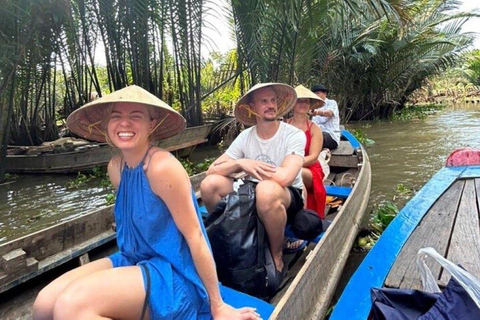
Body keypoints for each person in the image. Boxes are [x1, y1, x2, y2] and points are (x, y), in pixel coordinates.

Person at [33, 85, 260, 320]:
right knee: (45, 304)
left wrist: (217, 305)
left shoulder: (162, 167)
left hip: (172, 275)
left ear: (152, 124)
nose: (124, 123)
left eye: (135, 116)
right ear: (106, 125)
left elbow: (196, 236)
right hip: (133, 259)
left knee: (70, 307)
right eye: (116, 116)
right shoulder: (116, 168)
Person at [200, 83, 305, 284]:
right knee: (209, 185)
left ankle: (277, 254)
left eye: (273, 100)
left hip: (287, 196)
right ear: (252, 108)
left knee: (265, 190)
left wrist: (254, 169)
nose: (270, 105)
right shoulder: (245, 137)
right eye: (264, 101)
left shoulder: (293, 135)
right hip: (252, 191)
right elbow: (212, 170)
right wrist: (241, 163)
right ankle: (230, 234)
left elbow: (285, 177)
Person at [286, 85, 327, 219]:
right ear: (292, 104)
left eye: (306, 101)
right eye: (299, 100)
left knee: (297, 172)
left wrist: (293, 164)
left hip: (310, 169)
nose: (303, 104)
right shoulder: (284, 126)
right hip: (285, 166)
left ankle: (300, 218)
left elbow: (314, 157)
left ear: (310, 105)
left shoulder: (315, 129)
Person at [310, 83, 340, 150]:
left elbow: (329, 113)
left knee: (319, 136)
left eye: (318, 93)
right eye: (314, 94)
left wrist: (317, 112)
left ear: (325, 94)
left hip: (330, 136)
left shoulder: (332, 103)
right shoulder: (312, 106)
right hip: (316, 134)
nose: (316, 95)